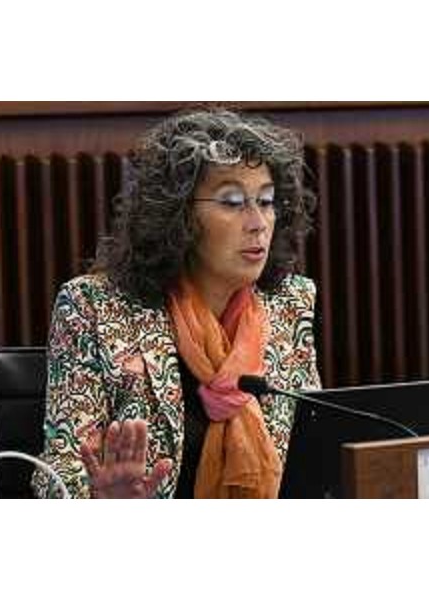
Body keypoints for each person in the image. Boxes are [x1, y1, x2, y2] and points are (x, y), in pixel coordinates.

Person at [32, 108, 321, 499]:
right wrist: (102, 501)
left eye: (267, 201)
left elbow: (316, 457)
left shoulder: (289, 303)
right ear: (179, 214)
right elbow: (57, 473)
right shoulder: (93, 307)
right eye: (233, 201)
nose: (258, 222)